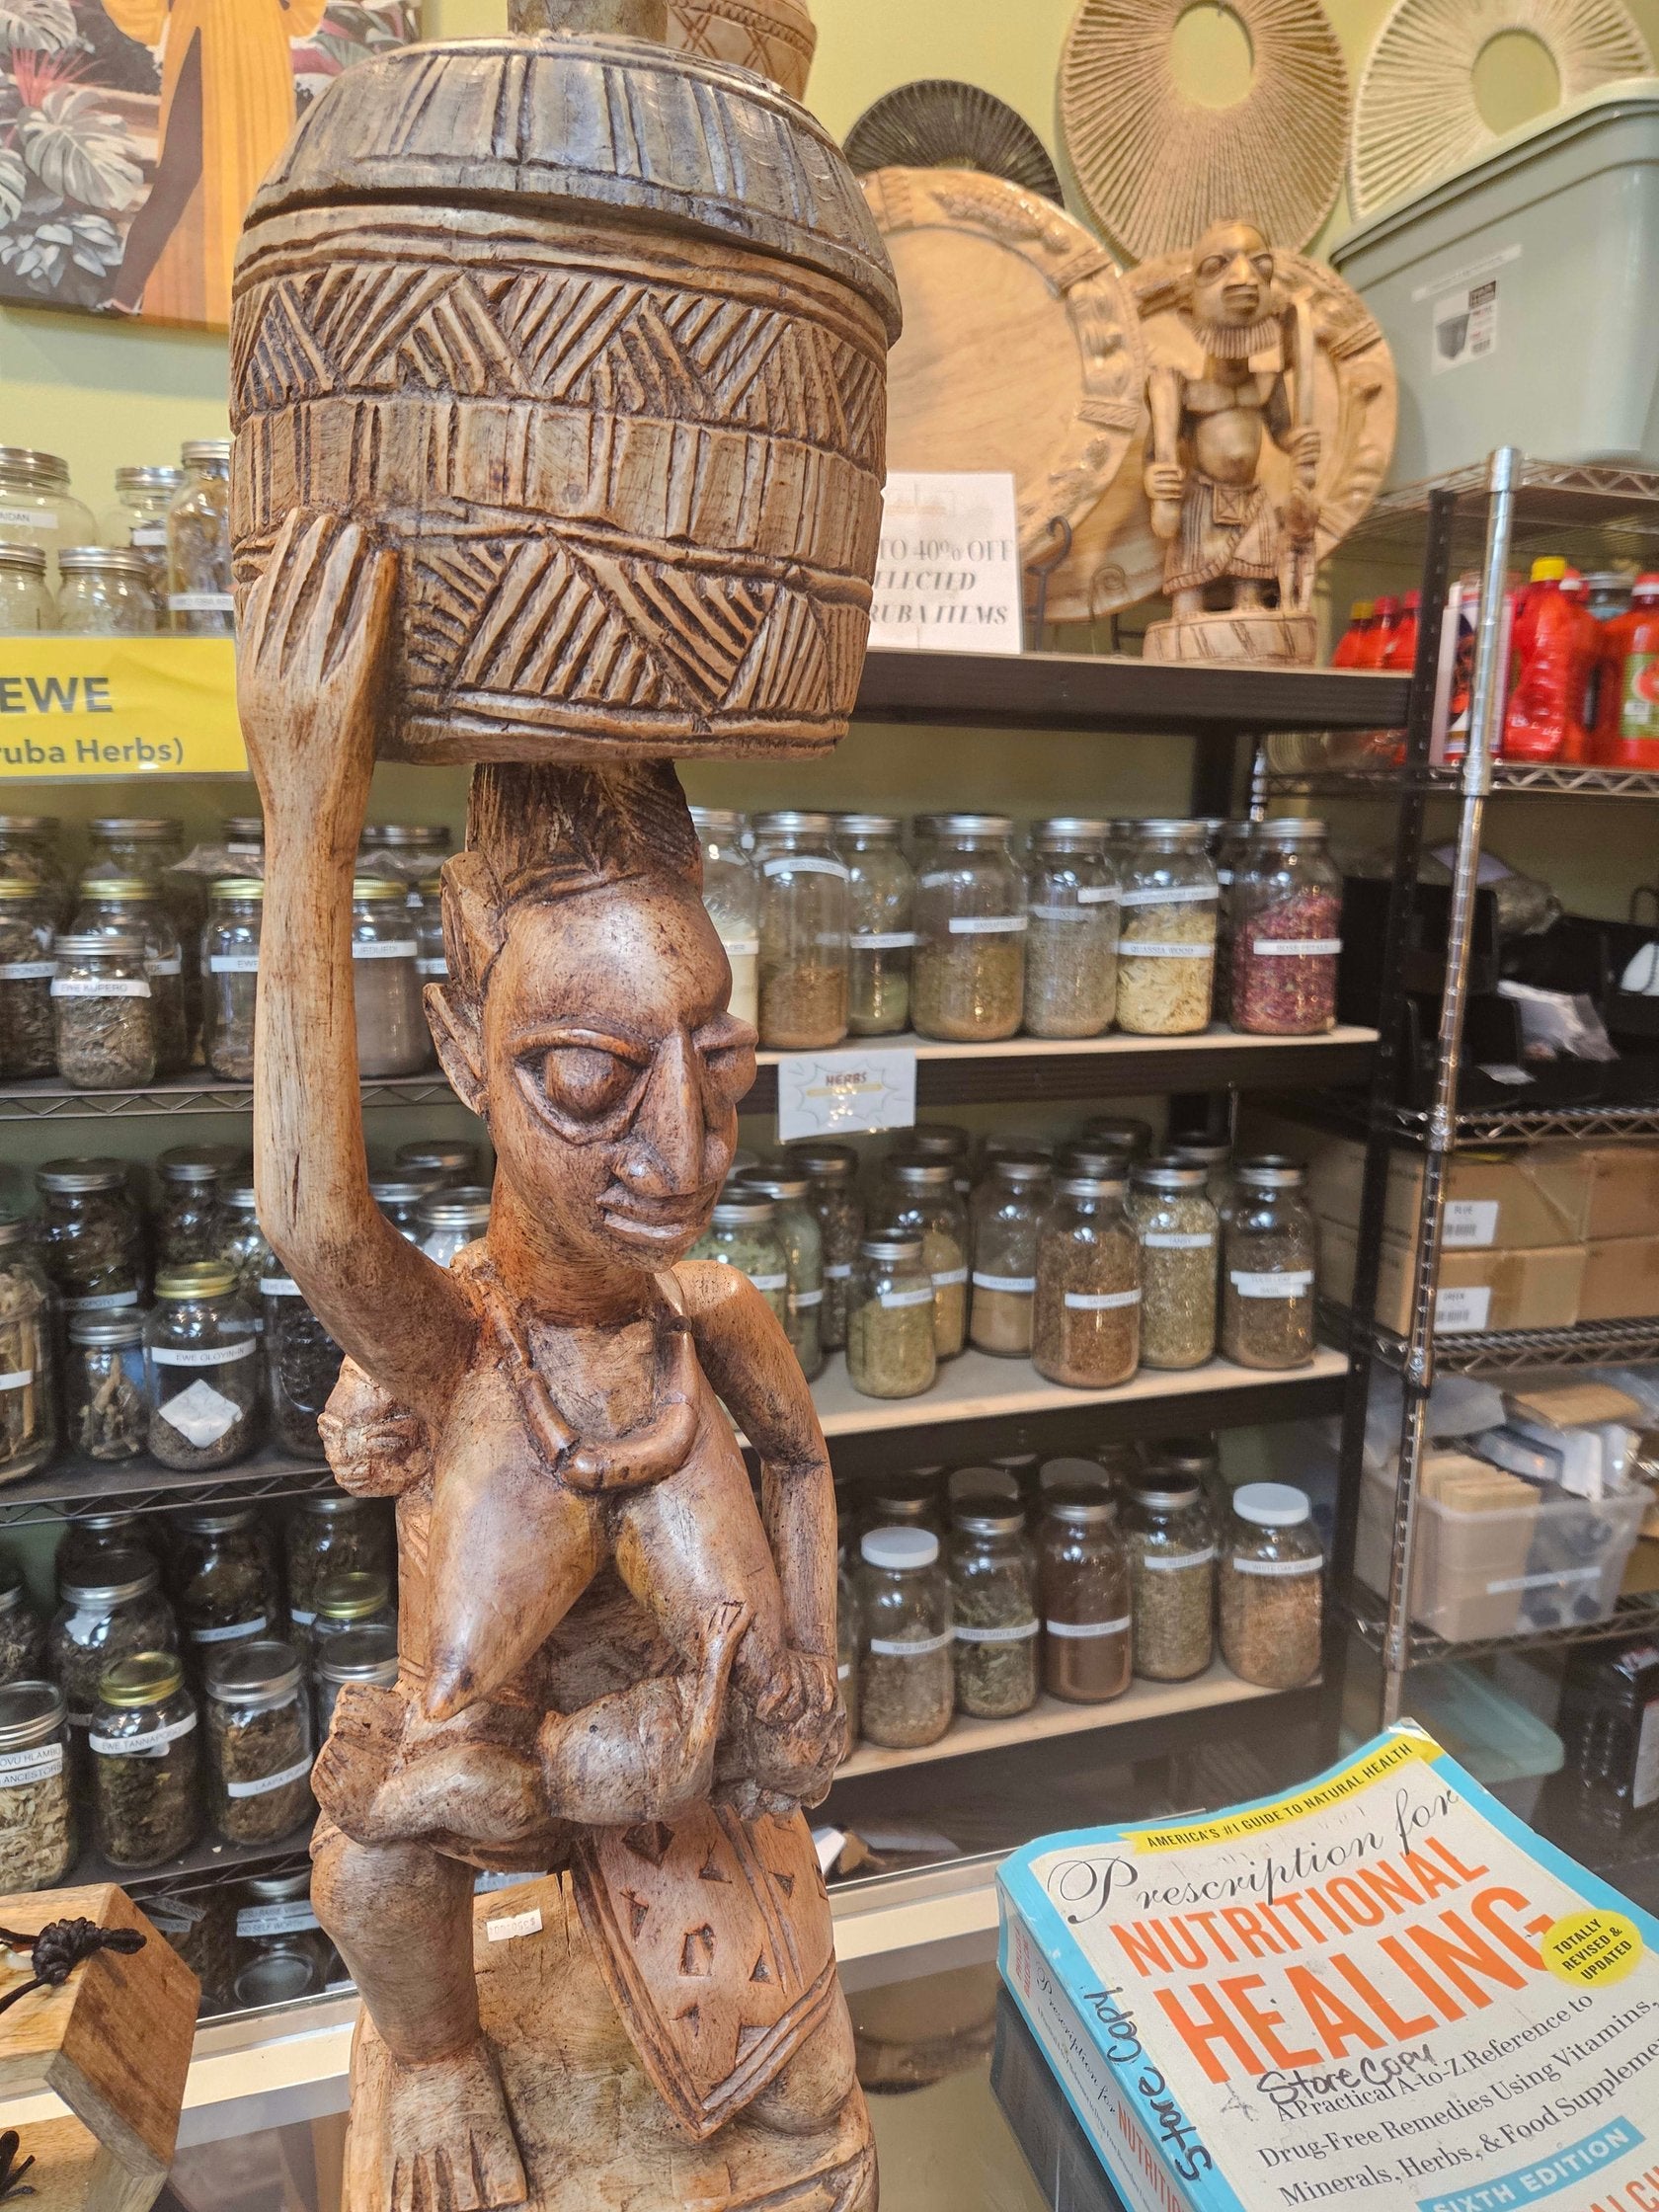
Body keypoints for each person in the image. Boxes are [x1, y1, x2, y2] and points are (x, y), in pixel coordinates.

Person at [237, 510, 853, 2210]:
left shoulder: (709, 1324)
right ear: (463, 1054)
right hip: (482, 1817)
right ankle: (441, 2051)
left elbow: (802, 1461)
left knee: (794, 2108)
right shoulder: (453, 1358)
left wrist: (807, 1651)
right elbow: (310, 1213)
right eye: (590, 1083)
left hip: (691, 1857)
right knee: (379, 1840)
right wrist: (307, 814)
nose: (686, 1149)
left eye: (719, 1064)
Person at [100, 0, 330, 325]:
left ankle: (257, 315)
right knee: (179, 175)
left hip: (260, 45)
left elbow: (302, 13)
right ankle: (124, 297)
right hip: (205, 36)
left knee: (261, 181)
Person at [1144, 218, 1322, 624]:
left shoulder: (1267, 384)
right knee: (1189, 594)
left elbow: (1282, 432)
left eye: (1260, 266)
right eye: (1218, 267)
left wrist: (1299, 442)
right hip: (1201, 498)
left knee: (1250, 590)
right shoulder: (1180, 391)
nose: (1244, 278)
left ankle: (1248, 609)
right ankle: (1189, 611)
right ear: (1189, 307)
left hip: (1250, 497)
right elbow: (1156, 454)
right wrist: (1156, 480)